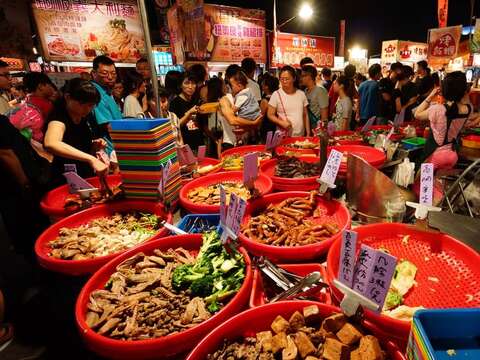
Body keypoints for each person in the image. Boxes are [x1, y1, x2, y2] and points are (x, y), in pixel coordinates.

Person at [44, 78, 108, 186]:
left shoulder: (83, 116)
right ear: (67, 97)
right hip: (65, 178)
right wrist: (91, 159)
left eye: (91, 105)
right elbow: (51, 143)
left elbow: (77, 145)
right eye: (83, 104)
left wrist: (94, 146)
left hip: (84, 175)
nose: (87, 109)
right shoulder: (59, 118)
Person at [414, 71, 479, 174]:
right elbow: (465, 116)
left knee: (422, 188)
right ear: (463, 91)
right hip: (452, 155)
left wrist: (430, 95)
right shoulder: (469, 109)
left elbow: (417, 114)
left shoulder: (438, 109)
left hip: (435, 156)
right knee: (440, 184)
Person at [8, 72, 55, 142]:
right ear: (41, 86)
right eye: (50, 85)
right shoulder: (45, 104)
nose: (52, 89)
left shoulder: (27, 100)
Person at [267, 66, 309, 137]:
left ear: (294, 79)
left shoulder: (301, 94)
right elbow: (270, 114)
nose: (284, 81)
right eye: (282, 79)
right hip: (284, 135)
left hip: (300, 135)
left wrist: (308, 133)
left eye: (287, 79)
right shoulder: (276, 94)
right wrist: (281, 122)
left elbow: (305, 115)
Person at [169, 72, 204, 151]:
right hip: (184, 146)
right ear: (180, 85)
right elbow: (175, 125)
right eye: (187, 83)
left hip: (199, 144)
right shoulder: (175, 103)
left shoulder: (196, 101)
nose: (190, 87)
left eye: (193, 83)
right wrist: (189, 113)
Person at [91, 55, 123, 128]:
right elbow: (108, 125)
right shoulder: (95, 92)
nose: (110, 77)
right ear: (94, 73)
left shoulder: (106, 91)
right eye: (104, 73)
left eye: (113, 73)